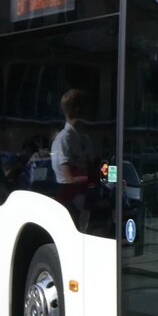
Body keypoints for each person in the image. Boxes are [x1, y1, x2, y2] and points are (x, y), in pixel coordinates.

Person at [50, 89, 95, 228]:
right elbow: (68, 178)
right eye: (86, 108)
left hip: (85, 202)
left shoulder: (84, 138)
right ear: (77, 110)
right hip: (69, 204)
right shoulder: (64, 139)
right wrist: (92, 179)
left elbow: (92, 165)